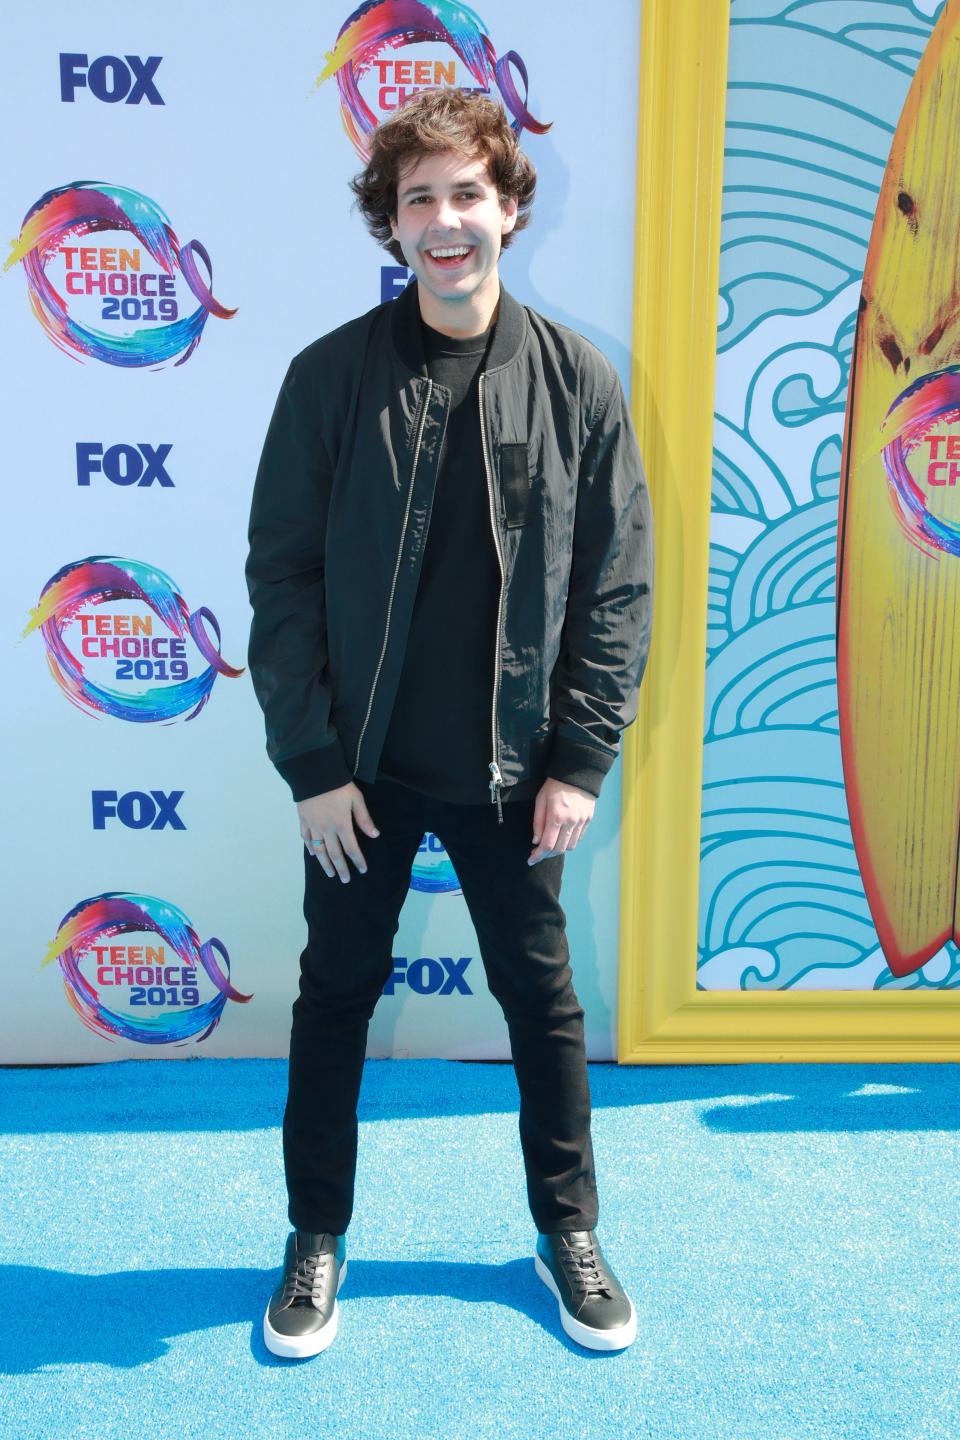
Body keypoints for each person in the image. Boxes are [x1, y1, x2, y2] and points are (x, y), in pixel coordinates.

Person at [245, 86, 653, 1359]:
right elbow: (283, 576)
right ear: (392, 222)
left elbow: (615, 581)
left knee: (545, 1006)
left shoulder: (580, 379)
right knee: (334, 1000)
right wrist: (311, 765)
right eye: (418, 197)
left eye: (466, 193)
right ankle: (317, 1234)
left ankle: (567, 1232)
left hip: (514, 775)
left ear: (510, 209)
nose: (445, 220)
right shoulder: (326, 378)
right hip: (360, 776)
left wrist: (579, 759)